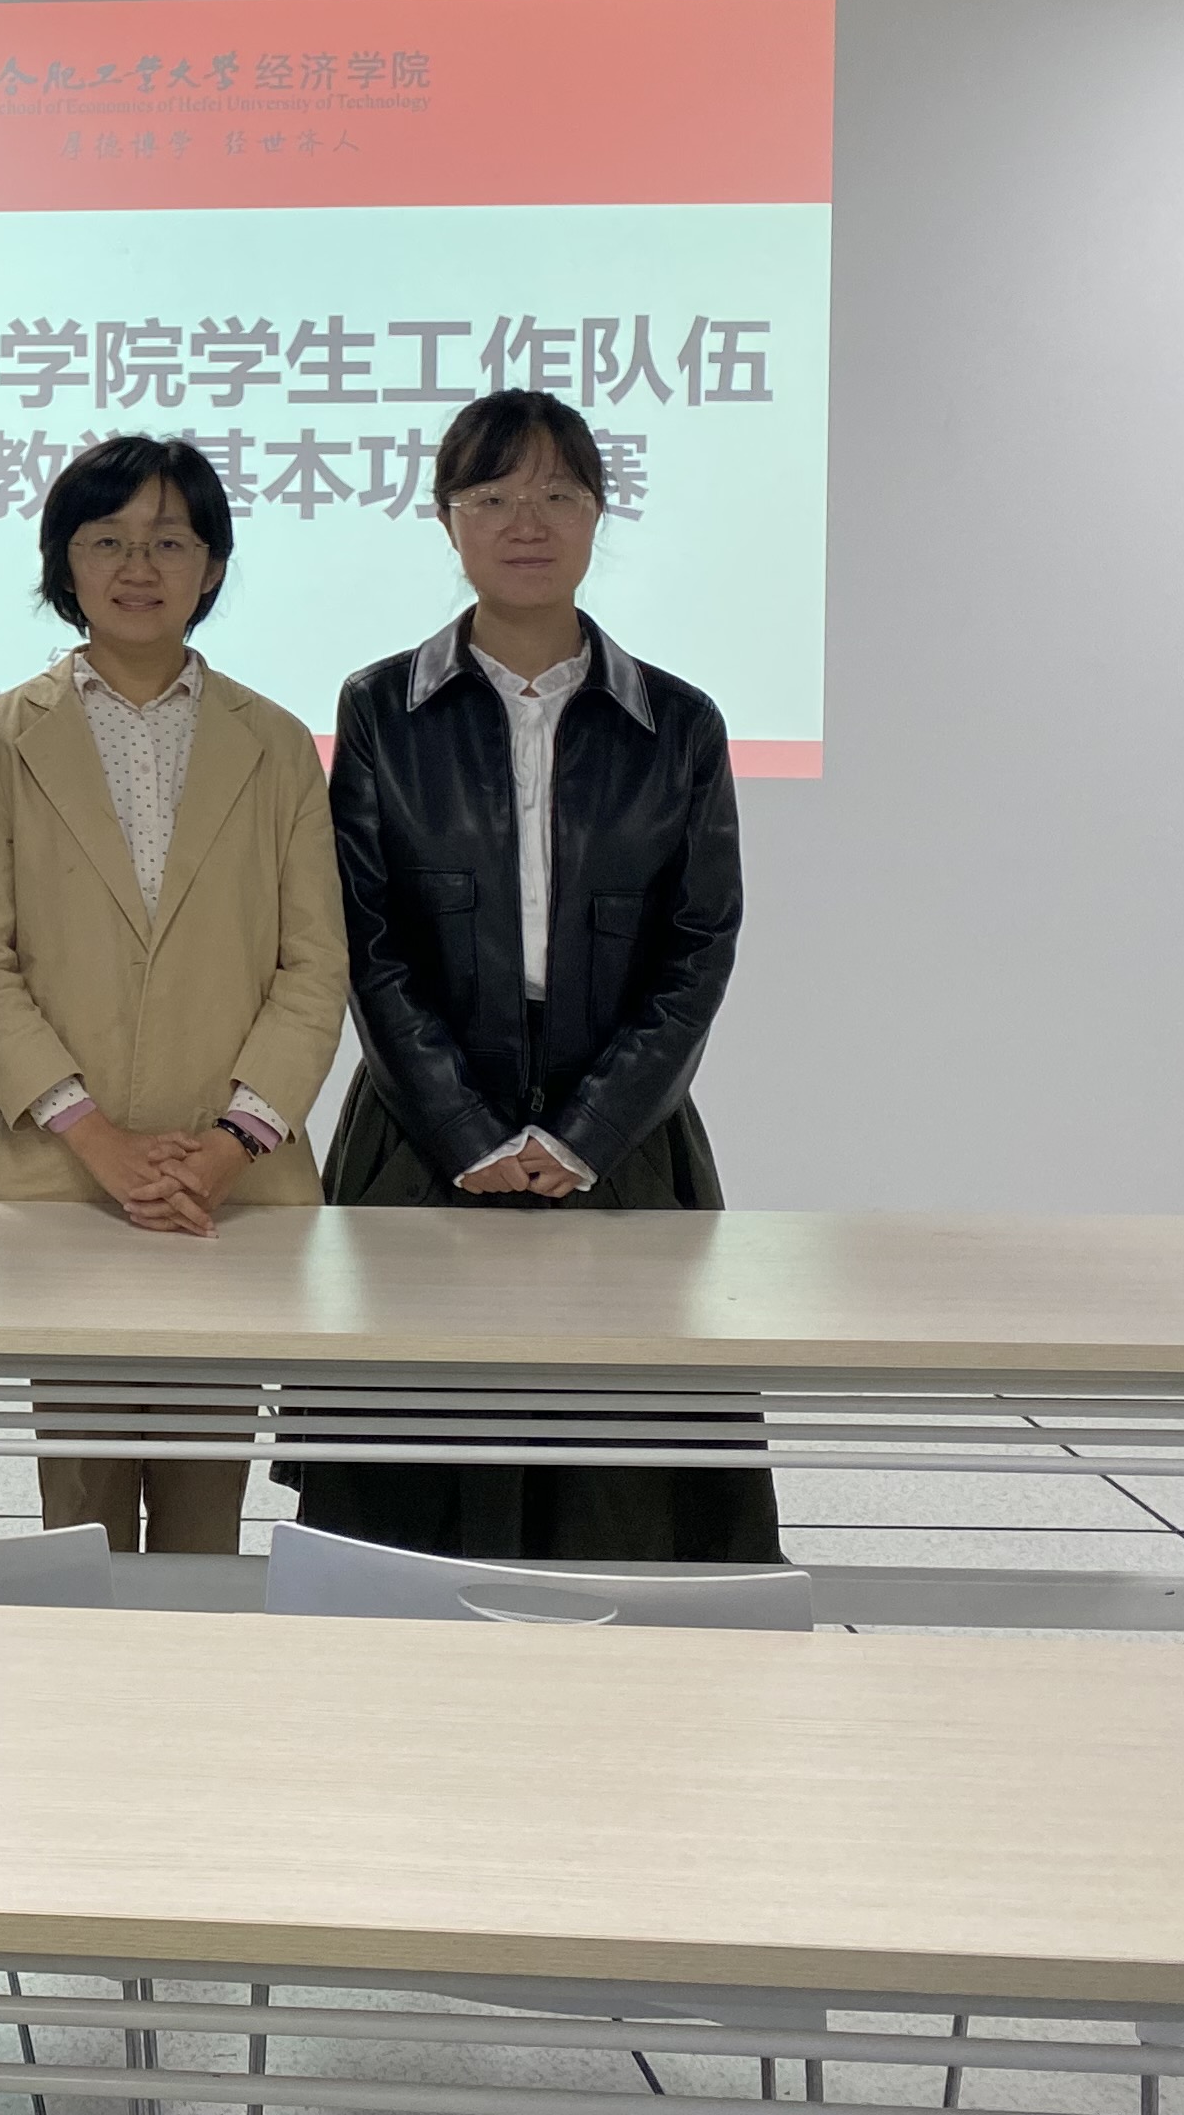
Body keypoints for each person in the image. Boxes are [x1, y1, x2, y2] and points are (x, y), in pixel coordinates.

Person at [292, 387, 775, 1564]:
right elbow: (367, 939)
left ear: (600, 515)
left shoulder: (679, 722)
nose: (527, 520)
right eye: (494, 495)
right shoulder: (381, 707)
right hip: (420, 1138)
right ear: (447, 520)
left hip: (625, 1142)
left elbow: (697, 946)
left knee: (625, 1491)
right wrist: (465, 1131)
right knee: (409, 1492)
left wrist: (583, 1135)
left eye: (559, 494)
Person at [0, 435, 350, 1557]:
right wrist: (100, 1141)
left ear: (211, 566)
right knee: (78, 1513)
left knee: (206, 1512)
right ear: (63, 562)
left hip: (232, 1188)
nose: (139, 566)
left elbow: (314, 966)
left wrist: (232, 1144)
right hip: (62, 1177)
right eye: (107, 540)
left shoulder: (275, 742)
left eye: (171, 541)